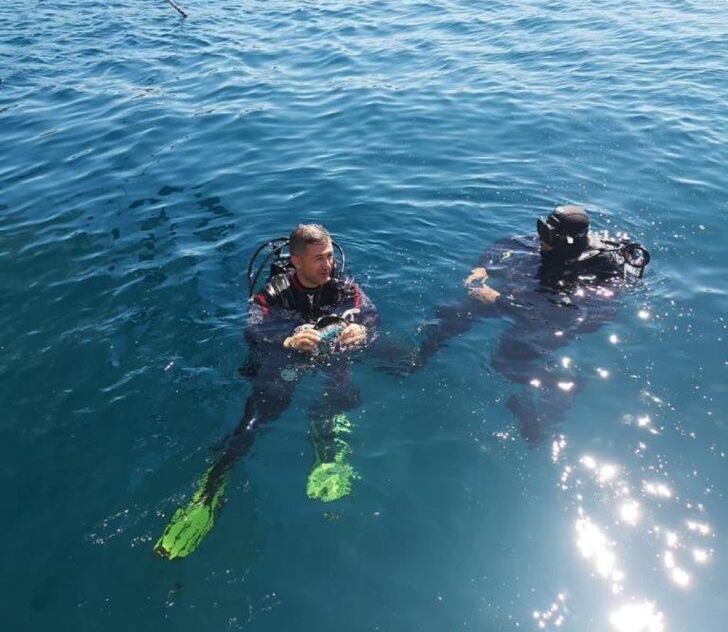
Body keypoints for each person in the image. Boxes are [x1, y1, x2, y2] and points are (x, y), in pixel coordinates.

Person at [155, 224, 377, 560]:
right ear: (296, 261)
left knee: (343, 389)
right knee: (257, 416)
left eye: (330, 256)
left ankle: (327, 444)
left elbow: (371, 315)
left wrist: (362, 329)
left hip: (330, 353)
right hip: (286, 358)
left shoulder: (345, 287)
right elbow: (253, 330)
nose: (328, 265)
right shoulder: (272, 294)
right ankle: (212, 486)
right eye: (318, 259)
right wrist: (288, 340)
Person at [409, 205, 650, 444]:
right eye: (541, 229)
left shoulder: (599, 271)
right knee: (454, 311)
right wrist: (482, 267)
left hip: (556, 317)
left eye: (546, 235)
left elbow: (564, 316)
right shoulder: (551, 243)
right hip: (527, 297)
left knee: (505, 360)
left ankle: (563, 384)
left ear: (565, 241)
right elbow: (506, 244)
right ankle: (419, 357)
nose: (539, 238)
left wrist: (499, 300)